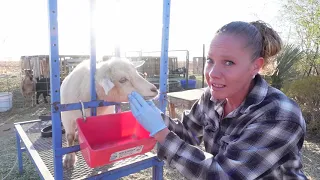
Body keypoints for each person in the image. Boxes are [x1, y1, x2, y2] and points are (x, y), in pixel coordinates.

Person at [128, 20, 308, 180]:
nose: (212, 73)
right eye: (210, 60)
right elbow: (187, 132)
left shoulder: (278, 115)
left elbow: (222, 174)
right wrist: (153, 117)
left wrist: (161, 133)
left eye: (228, 62)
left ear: (256, 66)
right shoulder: (212, 97)